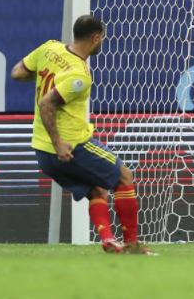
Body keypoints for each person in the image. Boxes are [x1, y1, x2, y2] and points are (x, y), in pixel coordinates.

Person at [10, 15, 153, 254]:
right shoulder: (79, 75)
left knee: (97, 190)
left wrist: (48, 76)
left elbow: (17, 72)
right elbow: (47, 103)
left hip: (42, 152)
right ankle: (132, 244)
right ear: (96, 37)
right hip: (70, 146)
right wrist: (59, 143)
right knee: (124, 177)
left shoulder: (49, 48)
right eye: (102, 38)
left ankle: (108, 240)